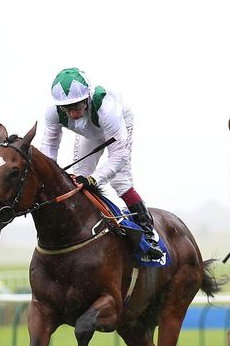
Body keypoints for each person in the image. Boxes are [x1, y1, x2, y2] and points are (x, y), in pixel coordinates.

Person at [40, 67, 163, 260]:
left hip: (117, 127)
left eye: (76, 107)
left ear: (87, 98)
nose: (72, 114)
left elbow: (119, 156)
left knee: (120, 181)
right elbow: (48, 150)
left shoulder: (106, 109)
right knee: (78, 180)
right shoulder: (53, 112)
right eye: (67, 108)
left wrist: (94, 179)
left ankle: (149, 234)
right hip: (91, 133)